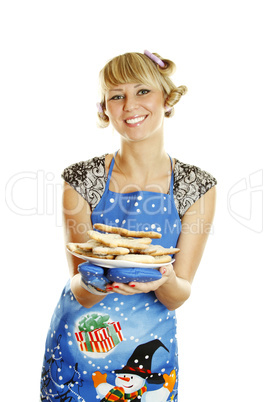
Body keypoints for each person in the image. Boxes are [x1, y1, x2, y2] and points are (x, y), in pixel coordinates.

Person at [40, 50, 217, 401]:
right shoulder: (82, 179)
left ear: (166, 98)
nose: (129, 105)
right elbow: (81, 287)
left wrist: (163, 277)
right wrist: (101, 277)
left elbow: (179, 294)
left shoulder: (195, 186)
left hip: (151, 353)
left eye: (142, 91)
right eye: (116, 96)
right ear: (105, 109)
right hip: (82, 344)